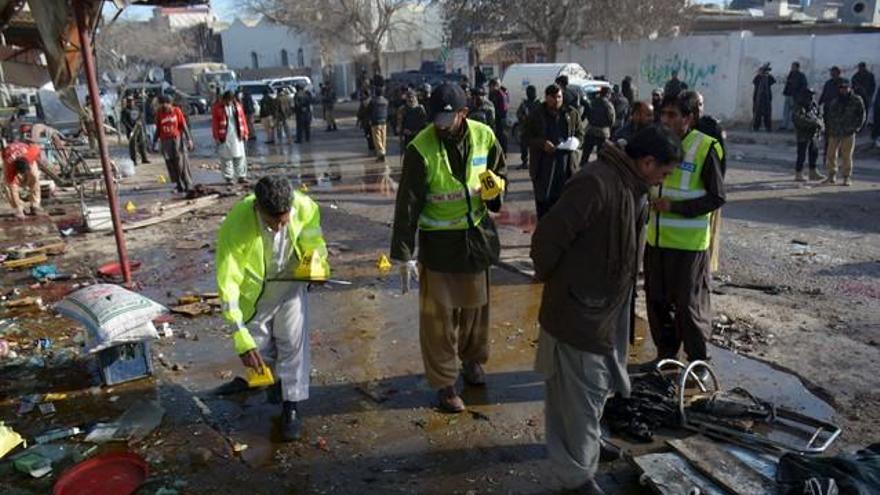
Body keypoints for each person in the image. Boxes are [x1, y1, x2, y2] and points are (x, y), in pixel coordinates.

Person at [532, 126, 681, 495]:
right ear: (647, 163)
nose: (663, 182)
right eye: (663, 173)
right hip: (579, 312)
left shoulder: (634, 188)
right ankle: (576, 478)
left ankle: (587, 447)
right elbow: (546, 242)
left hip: (608, 311)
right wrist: (564, 289)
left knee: (597, 390)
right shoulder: (596, 184)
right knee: (578, 397)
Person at [390, 83, 507, 413]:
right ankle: (444, 383)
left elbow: (498, 172)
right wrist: (402, 254)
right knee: (438, 322)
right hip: (439, 247)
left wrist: (494, 189)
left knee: (475, 313)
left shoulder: (484, 135)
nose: (439, 125)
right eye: (435, 118)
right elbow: (407, 205)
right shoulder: (420, 149)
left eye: (446, 118)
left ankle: (472, 362)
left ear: (463, 114)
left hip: (475, 241)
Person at [216, 176, 329, 442]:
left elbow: (314, 240)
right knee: (258, 347)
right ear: (258, 208)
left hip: (291, 284)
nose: (279, 227)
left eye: (284, 219)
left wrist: (316, 262)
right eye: (272, 221)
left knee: (293, 343)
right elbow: (227, 282)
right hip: (255, 295)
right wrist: (239, 337)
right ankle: (271, 382)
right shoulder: (237, 223)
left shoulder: (305, 206)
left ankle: (292, 405)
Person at [646, 92, 726, 368]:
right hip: (656, 239)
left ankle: (698, 362)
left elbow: (716, 197)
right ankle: (666, 357)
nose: (665, 120)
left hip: (689, 245)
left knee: (688, 307)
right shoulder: (657, 144)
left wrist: (675, 207)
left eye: (672, 115)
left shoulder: (705, 147)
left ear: (688, 118)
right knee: (656, 302)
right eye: (663, 114)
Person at [523, 84, 583, 218]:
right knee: (545, 208)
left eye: (559, 97)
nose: (557, 100)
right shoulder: (536, 114)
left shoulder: (572, 113)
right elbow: (526, 137)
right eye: (553, 97)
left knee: (566, 208)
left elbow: (580, 134)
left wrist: (575, 142)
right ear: (546, 97)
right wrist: (541, 144)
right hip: (543, 168)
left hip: (566, 168)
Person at [823, 78, 866, 186]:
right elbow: (829, 116)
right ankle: (831, 175)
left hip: (848, 131)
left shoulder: (856, 100)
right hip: (834, 131)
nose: (843, 90)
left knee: (847, 155)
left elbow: (862, 115)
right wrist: (828, 128)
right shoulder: (835, 101)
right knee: (831, 154)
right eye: (841, 88)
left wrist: (857, 127)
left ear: (850, 88)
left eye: (845, 87)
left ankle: (847, 177)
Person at [152, 95, 194, 193]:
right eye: (162, 105)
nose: (165, 107)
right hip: (165, 142)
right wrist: (154, 142)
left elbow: (183, 125)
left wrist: (189, 139)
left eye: (166, 104)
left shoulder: (177, 111)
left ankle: (188, 184)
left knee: (181, 163)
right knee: (171, 164)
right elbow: (158, 129)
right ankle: (179, 185)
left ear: (170, 104)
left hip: (177, 140)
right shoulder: (159, 114)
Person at [212, 90, 250, 185]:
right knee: (226, 158)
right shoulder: (217, 108)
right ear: (224, 99)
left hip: (237, 136)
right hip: (224, 136)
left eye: (230, 100)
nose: (228, 103)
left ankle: (241, 176)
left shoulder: (237, 106)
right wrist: (216, 136)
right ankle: (229, 178)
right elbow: (215, 124)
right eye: (226, 101)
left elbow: (243, 119)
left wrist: (246, 132)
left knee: (240, 156)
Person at [2, 138, 46, 219]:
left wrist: (42, 160)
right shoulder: (9, 164)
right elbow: (12, 186)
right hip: (9, 154)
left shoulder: (32, 153)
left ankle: (35, 205)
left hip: (26, 154)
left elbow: (37, 148)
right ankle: (18, 208)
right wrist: (18, 210)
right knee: (9, 186)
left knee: (35, 177)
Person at [792, 89, 825, 182]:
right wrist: (814, 123)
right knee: (801, 154)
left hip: (814, 134)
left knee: (814, 153)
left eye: (812, 95)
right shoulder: (799, 106)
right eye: (809, 95)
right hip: (803, 134)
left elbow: (819, 115)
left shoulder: (813, 105)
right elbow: (799, 119)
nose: (811, 97)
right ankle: (798, 173)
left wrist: (820, 123)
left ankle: (813, 172)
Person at [582, 86, 616, 164]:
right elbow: (612, 118)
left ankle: (582, 170)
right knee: (601, 155)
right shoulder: (608, 104)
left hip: (590, 130)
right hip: (603, 132)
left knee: (586, 153)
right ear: (608, 94)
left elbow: (587, 114)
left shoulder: (592, 102)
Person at [516, 85, 541, 168]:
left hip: (536, 129)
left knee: (536, 148)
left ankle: (536, 163)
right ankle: (524, 162)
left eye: (531, 92)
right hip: (525, 128)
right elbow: (518, 113)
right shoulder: (524, 104)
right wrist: (523, 117)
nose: (530, 94)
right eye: (528, 92)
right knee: (524, 147)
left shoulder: (539, 103)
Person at [121, 97, 150, 166]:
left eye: (132, 101)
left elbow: (140, 116)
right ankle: (134, 160)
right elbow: (124, 121)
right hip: (131, 130)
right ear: (127, 102)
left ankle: (144, 158)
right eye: (129, 101)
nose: (131, 102)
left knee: (142, 143)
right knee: (133, 145)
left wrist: (139, 121)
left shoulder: (136, 108)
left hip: (139, 128)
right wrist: (130, 128)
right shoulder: (124, 111)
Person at [780, 62, 808, 131]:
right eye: (792, 66)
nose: (792, 68)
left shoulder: (801, 76)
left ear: (797, 67)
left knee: (793, 111)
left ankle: (791, 126)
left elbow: (803, 86)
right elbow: (788, 84)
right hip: (788, 95)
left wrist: (799, 94)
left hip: (795, 96)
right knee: (786, 111)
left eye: (793, 66)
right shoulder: (791, 74)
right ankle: (784, 125)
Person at [752, 63, 775, 132]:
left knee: (767, 114)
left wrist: (767, 74)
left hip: (766, 98)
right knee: (757, 114)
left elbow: (773, 81)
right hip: (758, 98)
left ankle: (768, 127)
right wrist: (760, 74)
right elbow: (755, 82)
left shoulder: (769, 78)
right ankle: (756, 127)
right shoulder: (758, 77)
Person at [368, 86, 389, 161]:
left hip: (375, 122)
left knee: (377, 138)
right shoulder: (386, 101)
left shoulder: (373, 101)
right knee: (383, 138)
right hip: (384, 121)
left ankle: (381, 152)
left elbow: (368, 110)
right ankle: (383, 150)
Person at [488, 78, 509, 153]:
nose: (490, 89)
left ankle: (503, 152)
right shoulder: (493, 94)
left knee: (501, 136)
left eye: (490, 86)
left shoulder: (500, 94)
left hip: (500, 118)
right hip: (496, 117)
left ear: (495, 86)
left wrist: (497, 113)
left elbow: (504, 108)